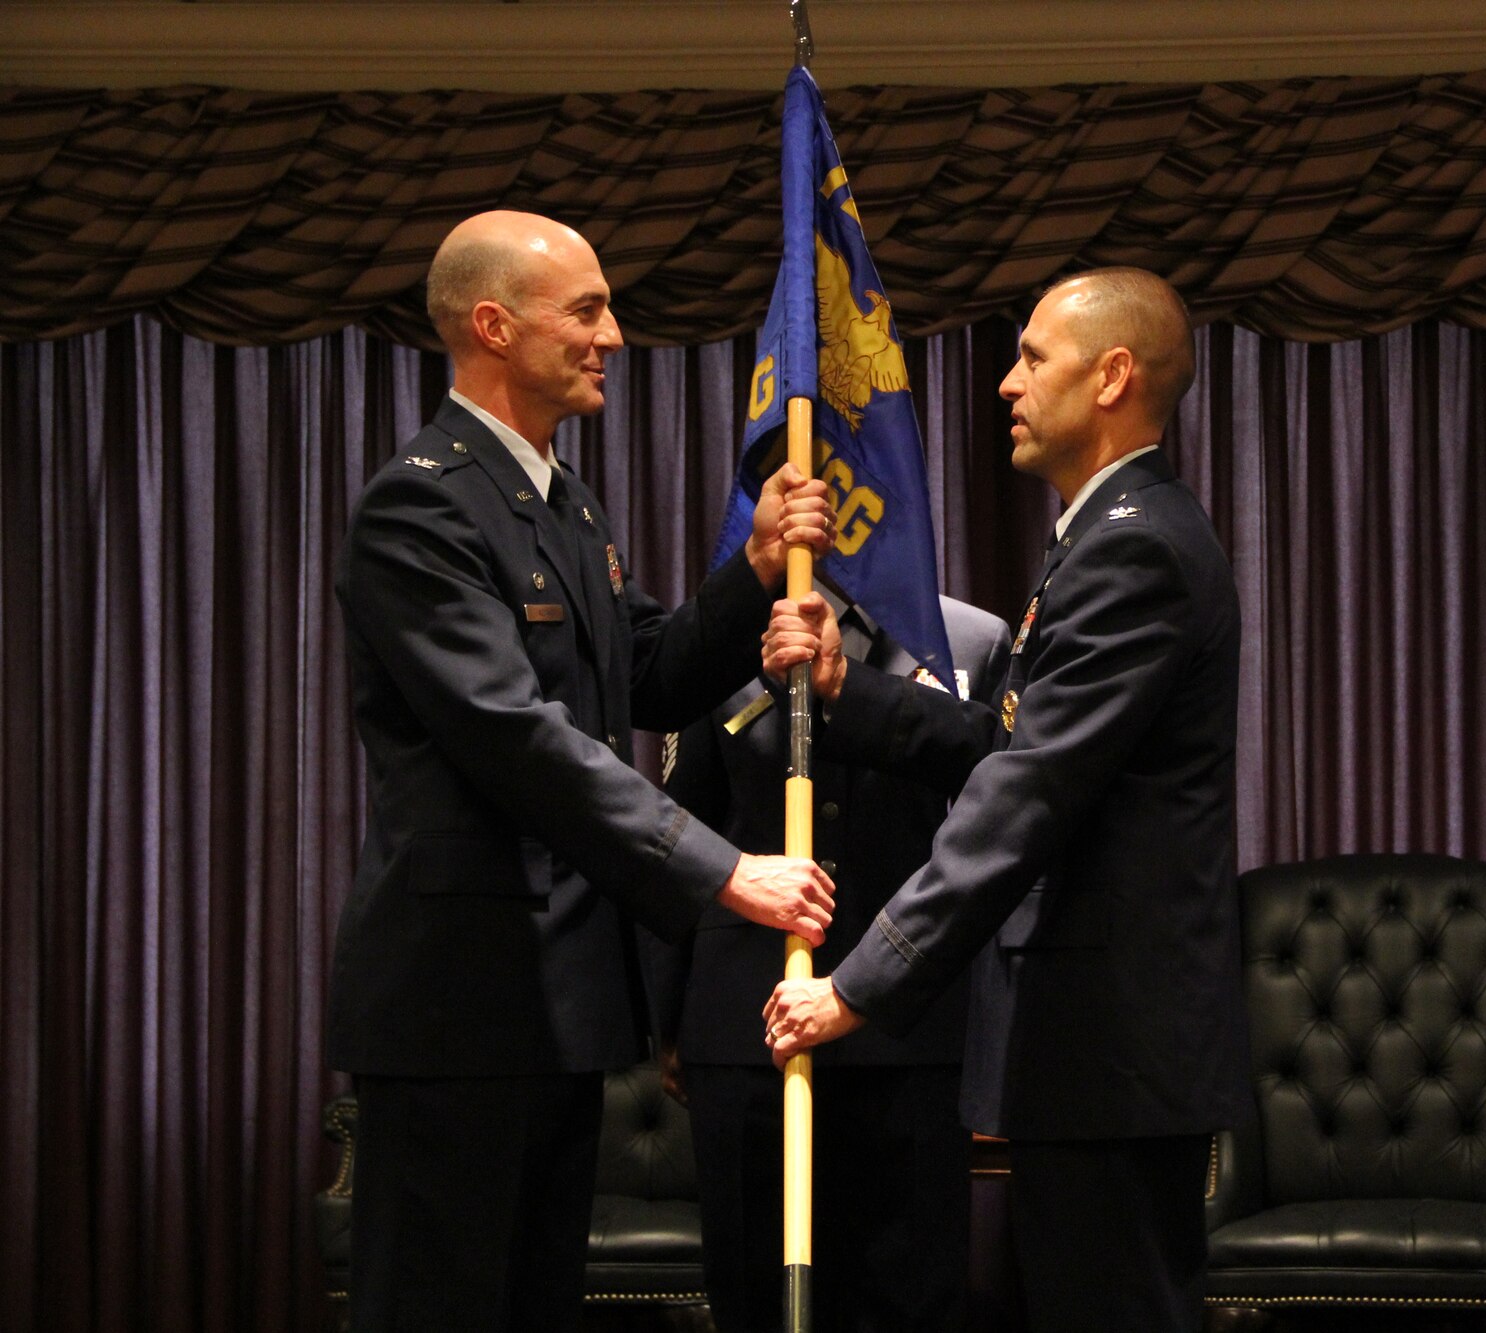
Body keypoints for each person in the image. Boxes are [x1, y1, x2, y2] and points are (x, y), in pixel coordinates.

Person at [328, 209, 839, 1333]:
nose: (613, 334)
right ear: (495, 325)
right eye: (589, 310)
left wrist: (754, 570)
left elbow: (643, 676)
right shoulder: (422, 501)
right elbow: (519, 734)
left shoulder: (561, 498)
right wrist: (719, 871)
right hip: (458, 1002)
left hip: (550, 1001)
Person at [760, 268, 1253, 1332]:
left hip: (1112, 1040)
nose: (1005, 384)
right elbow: (1008, 743)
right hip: (1094, 1039)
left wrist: (860, 980)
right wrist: (853, 697)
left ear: (1112, 374)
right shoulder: (1104, 532)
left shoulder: (1135, 545)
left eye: (1032, 357)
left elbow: (1029, 790)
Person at [653, 583, 1009, 1333]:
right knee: (756, 1301)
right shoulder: (719, 640)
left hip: (909, 1037)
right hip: (750, 1033)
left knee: (910, 1303)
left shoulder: (967, 639)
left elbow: (999, 809)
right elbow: (680, 825)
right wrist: (667, 1019)